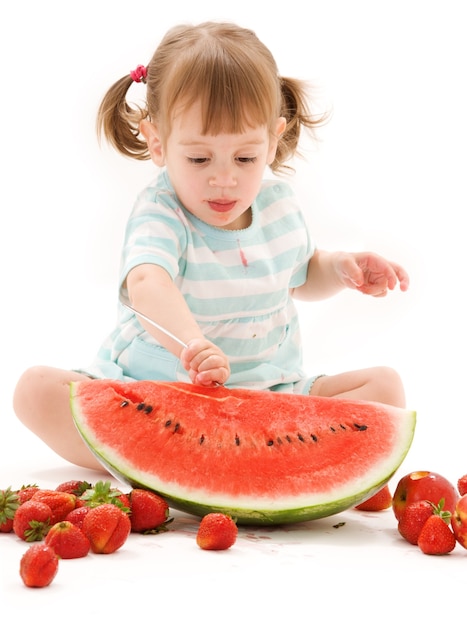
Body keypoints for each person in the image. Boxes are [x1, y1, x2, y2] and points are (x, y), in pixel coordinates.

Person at [13, 21, 409, 470]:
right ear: (158, 141)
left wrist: (340, 268)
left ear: (273, 139)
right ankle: (157, 458)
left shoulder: (279, 208)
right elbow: (147, 282)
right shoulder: (161, 213)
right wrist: (192, 343)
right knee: (35, 389)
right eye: (199, 159)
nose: (225, 178)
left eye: (245, 157)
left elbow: (300, 275)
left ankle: (244, 458)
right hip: (158, 394)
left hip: (268, 393)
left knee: (386, 388)